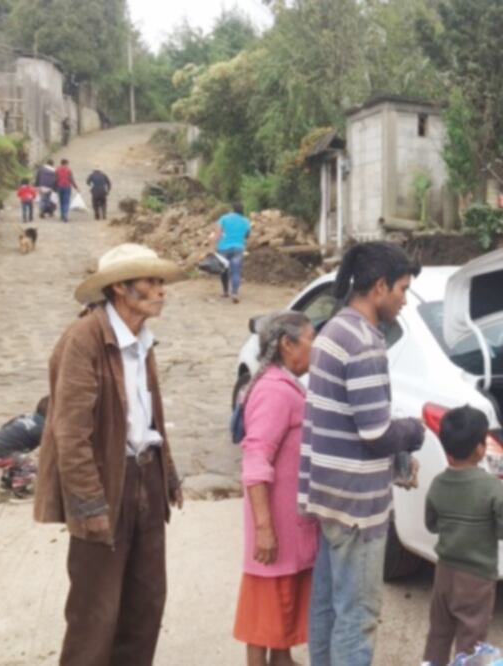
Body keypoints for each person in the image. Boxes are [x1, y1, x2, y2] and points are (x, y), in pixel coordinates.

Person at [33, 243, 186, 665]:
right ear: (120, 287)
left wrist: (167, 474)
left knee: (146, 604)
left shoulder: (140, 339)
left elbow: (148, 415)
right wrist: (88, 503)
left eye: (160, 282)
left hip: (145, 478)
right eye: (150, 282)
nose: (161, 290)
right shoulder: (84, 339)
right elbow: (70, 432)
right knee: (95, 614)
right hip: (105, 484)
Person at [298, 241, 425, 666]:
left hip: (328, 494)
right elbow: (376, 431)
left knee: (328, 607)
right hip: (357, 506)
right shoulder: (365, 343)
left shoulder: (334, 329)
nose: (404, 301)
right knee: (358, 616)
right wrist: (414, 431)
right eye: (402, 290)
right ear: (379, 286)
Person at [234, 312, 319, 666]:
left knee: (282, 606)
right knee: (264, 614)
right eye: (311, 340)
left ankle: (282, 660)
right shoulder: (273, 391)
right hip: (276, 527)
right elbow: (255, 461)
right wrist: (265, 530)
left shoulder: (282, 384)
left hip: (288, 523)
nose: (316, 349)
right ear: (287, 344)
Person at [422, 406, 503, 665]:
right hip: (477, 578)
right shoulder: (492, 488)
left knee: (439, 633)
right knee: (471, 639)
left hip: (444, 572)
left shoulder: (437, 484)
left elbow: (431, 524)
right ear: (481, 447)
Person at [0, 396, 48, 498]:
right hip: (0, 454)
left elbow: (5, 426)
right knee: (29, 465)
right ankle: (20, 489)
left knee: (17, 459)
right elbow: (49, 449)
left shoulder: (27, 416)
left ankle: (6, 483)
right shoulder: (43, 428)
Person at [212, 203, 252, 303]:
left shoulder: (224, 218)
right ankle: (235, 293)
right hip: (238, 248)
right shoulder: (245, 221)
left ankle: (225, 291)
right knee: (236, 271)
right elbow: (247, 235)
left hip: (223, 247)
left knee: (224, 270)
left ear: (232, 209)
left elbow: (218, 234)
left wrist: (212, 247)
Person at [55, 159, 79, 223]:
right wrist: (76, 187)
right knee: (66, 201)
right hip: (67, 186)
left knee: (61, 201)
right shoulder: (68, 170)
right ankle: (65, 215)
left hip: (59, 187)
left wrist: (55, 187)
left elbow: (55, 179)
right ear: (66, 163)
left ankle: (62, 215)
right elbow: (71, 179)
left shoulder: (57, 170)